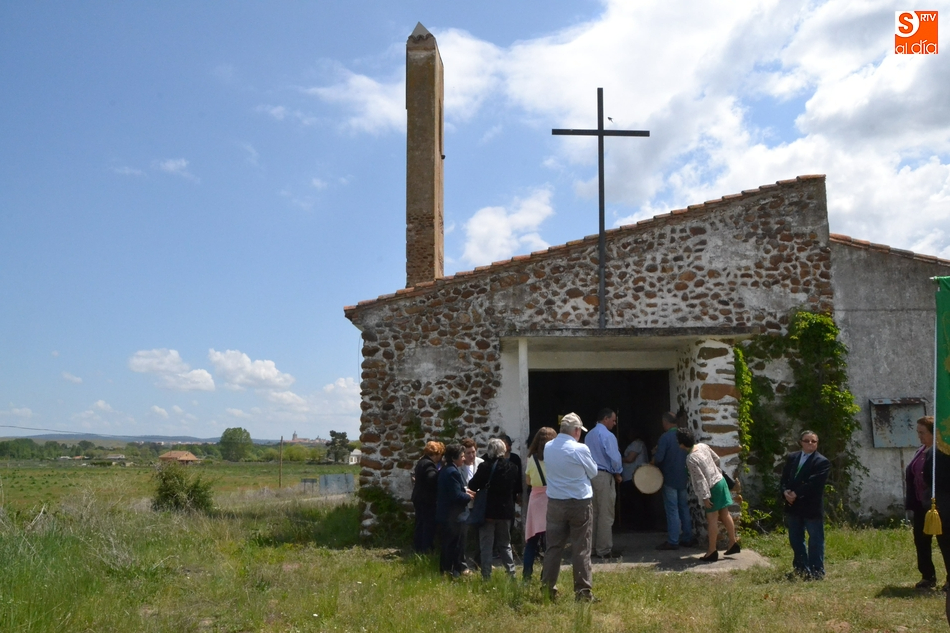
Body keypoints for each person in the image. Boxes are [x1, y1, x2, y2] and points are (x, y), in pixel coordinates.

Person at [541, 413, 599, 602]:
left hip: (556, 502)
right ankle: (583, 592)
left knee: (553, 547)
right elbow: (593, 472)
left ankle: (547, 588)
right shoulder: (579, 449)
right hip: (578, 502)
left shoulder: (549, 447)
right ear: (575, 431)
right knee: (581, 547)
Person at [677, 428, 738, 562]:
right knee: (725, 513)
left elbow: (700, 479)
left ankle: (711, 551)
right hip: (720, 480)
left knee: (712, 519)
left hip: (712, 488)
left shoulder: (691, 458)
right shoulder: (703, 446)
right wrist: (713, 471)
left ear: (682, 444)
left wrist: (705, 497)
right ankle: (733, 542)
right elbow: (716, 459)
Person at [780, 430, 831, 579]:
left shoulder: (822, 462)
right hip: (793, 505)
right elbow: (784, 478)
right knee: (795, 539)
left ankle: (817, 571)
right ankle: (801, 568)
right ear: (800, 442)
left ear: (817, 443)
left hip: (811, 506)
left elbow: (814, 483)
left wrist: (796, 493)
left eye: (813, 441)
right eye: (807, 440)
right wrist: (785, 492)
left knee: (815, 539)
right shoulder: (792, 457)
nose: (810, 443)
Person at [467, 438, 521, 579]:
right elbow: (514, 488)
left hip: (488, 512)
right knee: (505, 544)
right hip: (505, 512)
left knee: (486, 545)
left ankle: (486, 575)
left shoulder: (485, 467)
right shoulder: (513, 468)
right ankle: (511, 574)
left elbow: (472, 485)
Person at [907, 416, 950, 589]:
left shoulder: (942, 451)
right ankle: (927, 576)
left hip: (939, 505)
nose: (919, 436)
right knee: (921, 540)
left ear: (934, 433)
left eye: (923, 432)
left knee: (945, 542)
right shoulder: (921, 451)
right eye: (918, 432)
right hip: (921, 504)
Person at [653, 412, 695, 550]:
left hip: (669, 478)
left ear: (666, 423)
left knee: (672, 509)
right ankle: (687, 537)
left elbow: (659, 459)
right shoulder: (684, 434)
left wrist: (654, 454)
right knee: (683, 507)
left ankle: (673, 540)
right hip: (683, 477)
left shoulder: (665, 437)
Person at [585, 408, 623, 558]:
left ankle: (592, 547)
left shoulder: (589, 435)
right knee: (606, 514)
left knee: (593, 513)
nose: (614, 423)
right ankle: (604, 549)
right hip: (604, 474)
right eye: (613, 420)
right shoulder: (608, 435)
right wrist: (618, 472)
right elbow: (614, 457)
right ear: (605, 419)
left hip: (591, 475)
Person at [436, 444, 476, 577]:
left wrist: (464, 490)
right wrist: (468, 496)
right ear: (454, 458)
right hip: (454, 515)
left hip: (447, 514)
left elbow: (453, 489)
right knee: (455, 545)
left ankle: (448, 570)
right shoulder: (452, 472)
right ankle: (452, 570)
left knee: (449, 544)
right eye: (462, 456)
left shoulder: (446, 469)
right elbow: (455, 496)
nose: (464, 458)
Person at [523, 426, 556, 581]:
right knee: (549, 542)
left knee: (532, 540)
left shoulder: (531, 459)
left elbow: (528, 481)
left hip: (536, 499)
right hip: (551, 498)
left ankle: (527, 574)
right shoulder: (554, 459)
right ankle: (546, 575)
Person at [410, 440, 444, 553]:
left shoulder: (421, 461)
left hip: (419, 498)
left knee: (420, 524)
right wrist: (441, 472)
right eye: (440, 454)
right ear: (436, 453)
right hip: (426, 500)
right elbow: (431, 478)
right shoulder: (429, 464)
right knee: (427, 525)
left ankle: (418, 547)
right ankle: (426, 549)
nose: (440, 457)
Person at [459, 437, 483, 570]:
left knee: (480, 535)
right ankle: (462, 564)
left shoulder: (481, 463)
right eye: (468, 453)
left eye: (473, 452)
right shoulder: (459, 466)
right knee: (463, 536)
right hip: (465, 506)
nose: (471, 455)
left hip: (478, 505)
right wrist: (467, 492)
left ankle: (478, 562)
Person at [619, 428, 649, 530]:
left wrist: (617, 459)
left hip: (634, 477)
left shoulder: (637, 444)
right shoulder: (637, 444)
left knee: (636, 501)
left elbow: (630, 459)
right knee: (636, 500)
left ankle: (638, 524)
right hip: (633, 477)